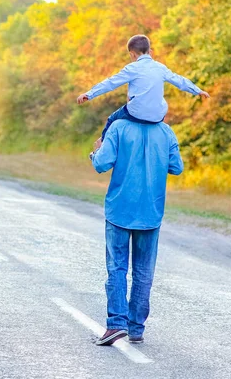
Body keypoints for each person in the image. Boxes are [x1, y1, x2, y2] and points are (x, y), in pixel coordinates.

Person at [89, 119, 184, 346]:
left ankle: (116, 324)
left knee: (117, 268)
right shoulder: (166, 131)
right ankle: (136, 329)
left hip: (119, 211)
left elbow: (101, 164)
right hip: (151, 212)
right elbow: (177, 167)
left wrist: (96, 151)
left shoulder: (119, 127)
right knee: (144, 272)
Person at [77, 34, 210, 142]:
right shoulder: (160, 67)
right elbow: (180, 80)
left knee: (112, 119)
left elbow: (110, 83)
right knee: (159, 102)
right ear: (150, 52)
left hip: (136, 114)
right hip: (158, 116)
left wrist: (89, 94)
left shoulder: (132, 68)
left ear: (133, 54)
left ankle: (102, 148)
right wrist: (198, 90)